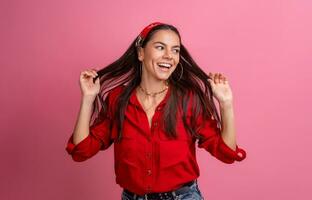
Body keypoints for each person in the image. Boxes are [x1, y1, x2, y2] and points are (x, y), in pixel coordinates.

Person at [65, 22, 247, 200]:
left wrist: (226, 104)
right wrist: (88, 99)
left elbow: (226, 153)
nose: (170, 56)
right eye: (160, 47)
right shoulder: (118, 99)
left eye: (175, 50)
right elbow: (81, 151)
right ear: (140, 52)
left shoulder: (188, 99)